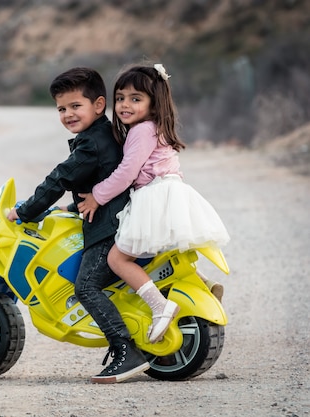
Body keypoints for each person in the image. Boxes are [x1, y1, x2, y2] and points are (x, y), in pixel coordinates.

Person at [6, 67, 150, 384]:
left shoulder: (90, 144)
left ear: (98, 105)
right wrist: (71, 207)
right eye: (61, 108)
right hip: (119, 217)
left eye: (75, 106)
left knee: (85, 286)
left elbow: (60, 177)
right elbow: (104, 178)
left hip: (110, 229)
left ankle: (125, 350)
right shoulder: (103, 135)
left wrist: (26, 210)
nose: (68, 114)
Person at [77, 63, 230, 344]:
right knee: (166, 252)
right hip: (172, 191)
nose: (125, 105)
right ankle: (203, 285)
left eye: (136, 99)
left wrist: (97, 196)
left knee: (118, 258)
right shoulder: (155, 127)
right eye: (121, 98)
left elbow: (127, 172)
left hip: (153, 196)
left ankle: (160, 307)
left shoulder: (141, 131)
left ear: (154, 103)